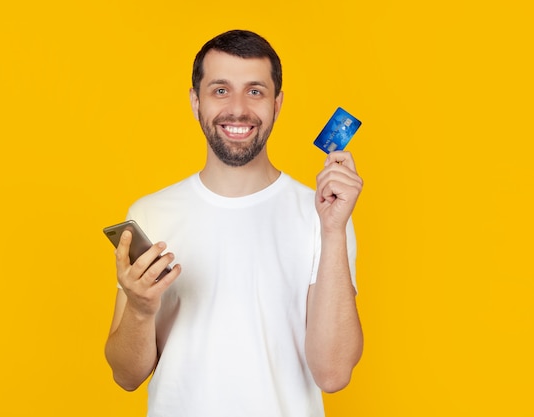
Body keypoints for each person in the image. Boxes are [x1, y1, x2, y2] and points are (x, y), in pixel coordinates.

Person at [105, 29, 364, 417]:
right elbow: (126, 376)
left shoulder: (322, 214)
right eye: (220, 90)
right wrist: (141, 310)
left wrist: (332, 230)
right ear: (196, 101)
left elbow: (333, 373)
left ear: (277, 104)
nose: (239, 109)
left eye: (255, 91)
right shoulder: (149, 213)